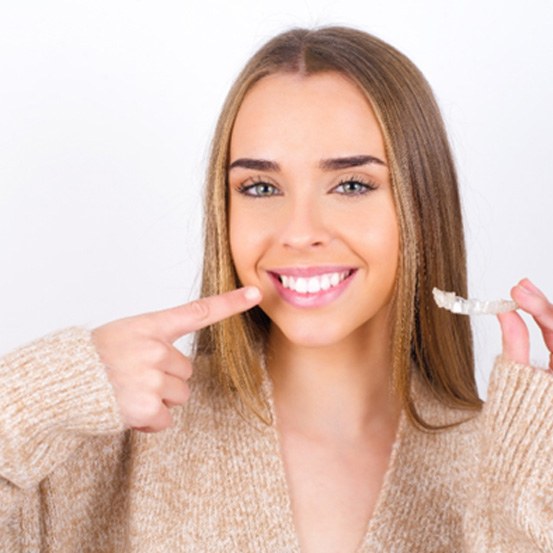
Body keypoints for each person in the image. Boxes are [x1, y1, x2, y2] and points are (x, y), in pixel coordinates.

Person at [1, 26, 552, 553]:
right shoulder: (104, 447)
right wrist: (40, 394)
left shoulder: (508, 471)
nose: (299, 231)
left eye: (352, 184)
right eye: (261, 187)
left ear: (421, 207)